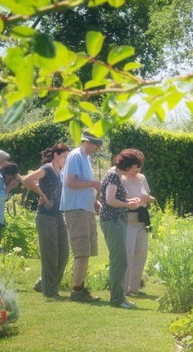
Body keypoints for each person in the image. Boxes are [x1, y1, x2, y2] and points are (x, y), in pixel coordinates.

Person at [22, 143, 70, 300]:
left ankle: (43, 283)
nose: (65, 160)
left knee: (63, 253)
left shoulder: (59, 172)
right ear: (56, 155)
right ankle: (50, 292)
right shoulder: (48, 169)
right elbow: (27, 180)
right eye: (64, 157)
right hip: (45, 216)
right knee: (50, 254)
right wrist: (42, 195)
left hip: (58, 216)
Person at [62, 130, 103, 302]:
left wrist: (94, 201)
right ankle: (76, 291)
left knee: (87, 250)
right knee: (81, 250)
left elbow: (82, 184)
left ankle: (81, 287)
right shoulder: (75, 156)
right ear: (85, 142)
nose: (98, 148)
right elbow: (70, 182)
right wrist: (94, 183)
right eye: (95, 144)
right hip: (76, 209)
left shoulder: (86, 158)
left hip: (85, 208)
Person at [99, 150, 142, 309]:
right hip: (113, 221)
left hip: (117, 220)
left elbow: (113, 198)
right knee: (119, 260)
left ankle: (119, 297)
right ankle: (117, 299)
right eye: (134, 167)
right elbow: (109, 200)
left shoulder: (116, 176)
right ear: (127, 165)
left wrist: (128, 200)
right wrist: (127, 205)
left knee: (120, 259)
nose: (135, 171)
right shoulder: (113, 176)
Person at [120, 150, 155, 296]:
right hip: (128, 219)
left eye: (138, 167)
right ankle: (123, 287)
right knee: (128, 253)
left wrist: (149, 199)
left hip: (142, 219)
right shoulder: (121, 179)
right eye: (133, 167)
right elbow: (116, 199)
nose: (136, 170)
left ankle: (134, 287)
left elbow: (146, 194)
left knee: (141, 254)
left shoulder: (142, 178)